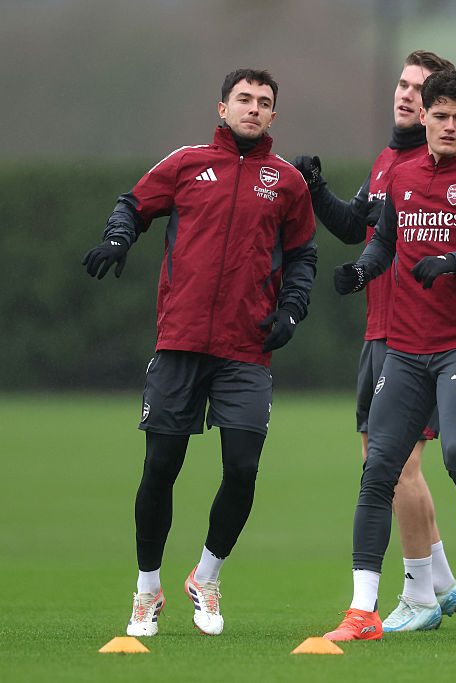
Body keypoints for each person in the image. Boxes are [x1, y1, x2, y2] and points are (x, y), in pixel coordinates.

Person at [82, 69, 318, 637]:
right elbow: (133, 205)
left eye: (264, 103)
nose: (253, 109)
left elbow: (304, 256)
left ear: (273, 116)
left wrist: (291, 310)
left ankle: (206, 576)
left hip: (247, 348)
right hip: (181, 340)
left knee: (242, 469)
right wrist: (119, 236)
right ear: (222, 107)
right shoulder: (187, 163)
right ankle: (146, 590)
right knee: (160, 468)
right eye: (244, 100)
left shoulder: (287, 183)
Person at [322, 69, 456, 641]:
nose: (446, 126)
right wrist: (363, 270)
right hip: (406, 349)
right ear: (426, 115)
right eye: (438, 115)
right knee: (378, 469)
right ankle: (362, 610)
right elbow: (385, 239)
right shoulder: (404, 175)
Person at [292, 50, 456, 633]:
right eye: (402, 82)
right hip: (378, 328)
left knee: (397, 466)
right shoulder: (388, 159)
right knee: (381, 460)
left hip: (413, 336)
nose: (406, 94)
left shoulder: (434, 163)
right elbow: (355, 225)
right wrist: (315, 189)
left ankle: (421, 594)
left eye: (420, 88)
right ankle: (441, 582)